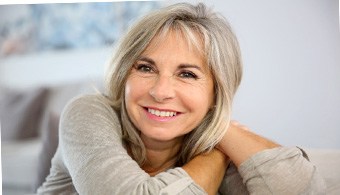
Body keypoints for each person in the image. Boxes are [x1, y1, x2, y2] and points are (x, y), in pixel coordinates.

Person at [37, 2, 326, 194]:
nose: (161, 91)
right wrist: (216, 155)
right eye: (146, 68)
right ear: (124, 73)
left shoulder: (204, 135)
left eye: (187, 74)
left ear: (216, 91)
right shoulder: (88, 112)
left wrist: (222, 130)